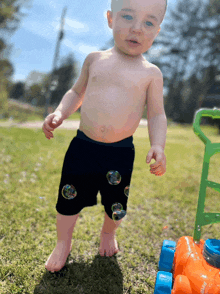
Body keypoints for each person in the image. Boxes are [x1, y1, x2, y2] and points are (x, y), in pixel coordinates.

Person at [42, 0, 167, 273]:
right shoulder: (95, 59)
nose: (137, 28)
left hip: (120, 152)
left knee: (116, 204)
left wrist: (158, 144)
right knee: (68, 200)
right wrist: (61, 112)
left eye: (148, 22)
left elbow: (157, 114)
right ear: (110, 18)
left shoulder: (151, 74)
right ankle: (63, 243)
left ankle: (108, 233)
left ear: (157, 30)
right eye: (128, 16)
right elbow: (77, 92)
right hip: (83, 146)